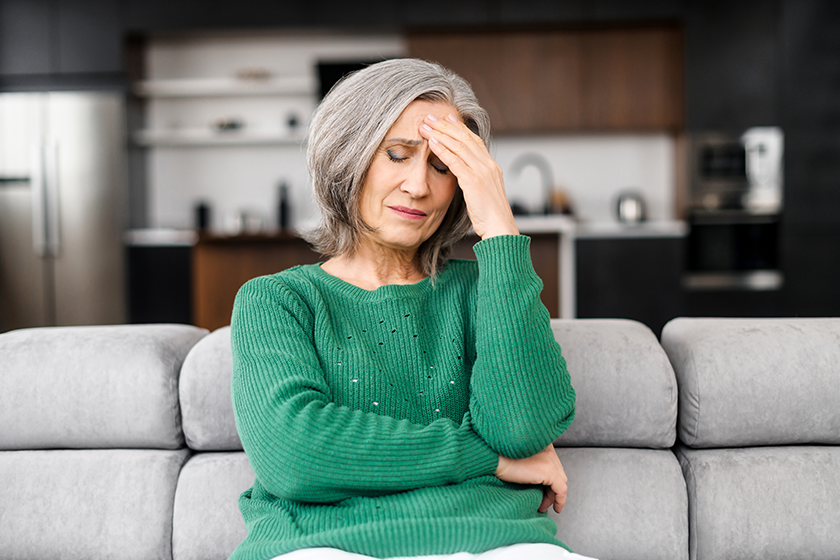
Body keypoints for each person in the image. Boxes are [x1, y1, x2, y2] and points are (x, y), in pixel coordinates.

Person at [229, 58, 588, 560]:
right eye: (397, 155)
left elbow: (522, 431)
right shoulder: (277, 301)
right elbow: (294, 455)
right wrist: (489, 458)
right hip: (323, 547)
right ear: (348, 158)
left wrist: (502, 230)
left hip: (495, 545)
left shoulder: (488, 288)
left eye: (443, 166)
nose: (419, 186)